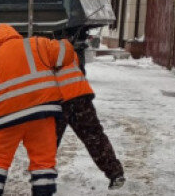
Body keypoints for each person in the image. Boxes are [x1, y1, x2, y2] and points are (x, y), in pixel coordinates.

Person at [0, 24, 65, 196]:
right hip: (43, 114)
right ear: (13, 34)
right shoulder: (38, 44)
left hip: (8, 119)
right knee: (43, 160)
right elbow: (62, 55)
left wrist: (0, 115)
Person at [53, 39, 125, 188]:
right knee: (94, 136)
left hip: (58, 100)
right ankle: (115, 173)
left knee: (49, 142)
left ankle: (43, 179)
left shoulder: (40, 55)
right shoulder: (68, 50)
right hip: (81, 97)